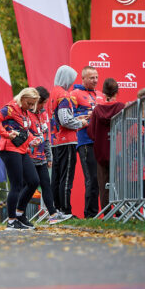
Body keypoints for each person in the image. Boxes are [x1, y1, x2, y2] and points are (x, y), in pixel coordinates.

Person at [17, 86, 73, 225]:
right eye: (42, 103)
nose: (43, 106)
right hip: (28, 157)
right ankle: (18, 214)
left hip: (41, 157)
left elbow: (46, 136)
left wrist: (49, 157)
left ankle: (53, 214)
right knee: (28, 186)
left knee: (46, 185)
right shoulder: (25, 114)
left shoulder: (43, 114)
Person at [0, 87, 42, 230]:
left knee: (33, 181)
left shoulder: (25, 112)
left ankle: (20, 214)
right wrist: (5, 134)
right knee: (17, 185)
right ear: (22, 98)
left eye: (33, 104)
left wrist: (32, 139)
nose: (31, 107)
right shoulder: (11, 108)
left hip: (22, 150)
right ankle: (11, 221)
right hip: (10, 150)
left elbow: (23, 130)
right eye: (29, 103)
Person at [49, 65, 89, 216]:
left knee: (57, 177)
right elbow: (65, 120)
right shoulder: (64, 95)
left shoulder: (53, 93)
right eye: (71, 80)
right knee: (66, 178)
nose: (72, 83)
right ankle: (66, 211)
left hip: (56, 140)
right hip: (67, 140)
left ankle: (57, 210)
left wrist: (76, 118)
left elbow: (58, 118)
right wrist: (81, 123)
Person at [70, 66, 104, 218]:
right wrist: (86, 115)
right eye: (91, 78)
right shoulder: (75, 94)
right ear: (83, 79)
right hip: (85, 141)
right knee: (92, 178)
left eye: (96, 77)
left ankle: (101, 213)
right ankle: (90, 214)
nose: (95, 80)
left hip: (101, 142)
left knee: (101, 179)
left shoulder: (101, 95)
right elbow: (67, 117)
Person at [87, 78, 125, 213]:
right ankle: (121, 209)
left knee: (103, 184)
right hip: (119, 150)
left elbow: (91, 132)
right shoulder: (121, 107)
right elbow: (127, 128)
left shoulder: (97, 110)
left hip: (101, 151)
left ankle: (106, 211)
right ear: (117, 92)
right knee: (120, 181)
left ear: (103, 92)